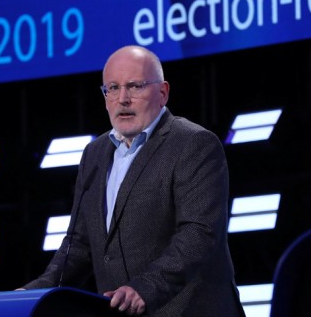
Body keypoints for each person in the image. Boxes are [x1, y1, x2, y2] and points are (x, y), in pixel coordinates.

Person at [19, 45, 246, 316]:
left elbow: (199, 233)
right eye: (112, 88)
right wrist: (35, 293)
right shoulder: (95, 153)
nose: (122, 99)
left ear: (163, 93)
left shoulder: (193, 143)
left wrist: (145, 288)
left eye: (135, 86)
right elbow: (79, 245)